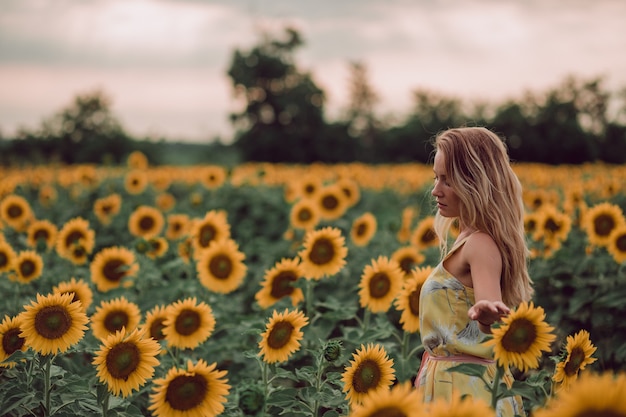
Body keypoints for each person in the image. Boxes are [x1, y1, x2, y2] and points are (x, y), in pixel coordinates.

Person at [415, 127, 533, 416]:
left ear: (474, 183)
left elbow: (488, 309)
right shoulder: (468, 238)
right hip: (452, 381)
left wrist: (486, 315)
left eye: (447, 180)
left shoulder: (479, 244)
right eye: (436, 177)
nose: (435, 190)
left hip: (464, 390)